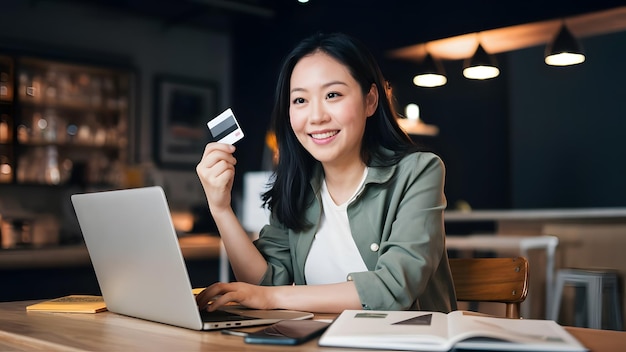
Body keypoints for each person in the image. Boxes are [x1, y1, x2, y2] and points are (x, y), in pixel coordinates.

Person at [195, 32, 457, 314]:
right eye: (300, 100)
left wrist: (272, 298)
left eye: (332, 95)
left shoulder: (418, 171)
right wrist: (220, 208)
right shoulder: (297, 186)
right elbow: (264, 284)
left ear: (370, 101)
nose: (316, 116)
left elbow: (394, 287)